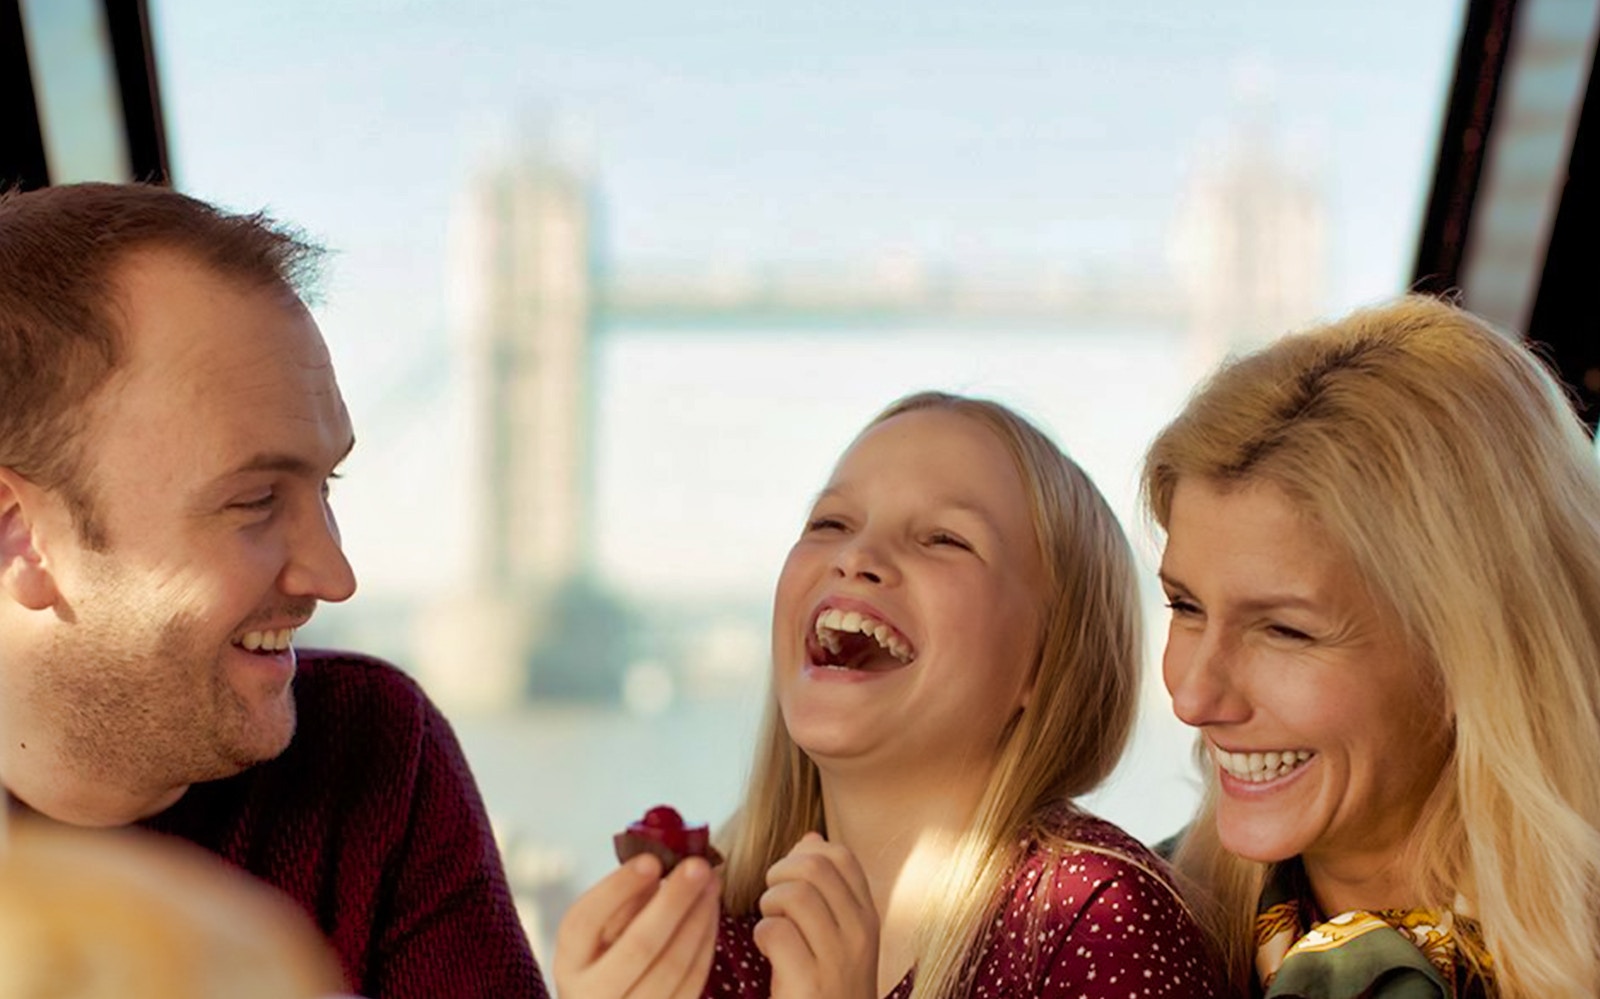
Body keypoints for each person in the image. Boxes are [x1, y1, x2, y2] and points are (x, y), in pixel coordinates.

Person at [0, 182, 545, 999]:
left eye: (326, 485)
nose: (335, 575)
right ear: (22, 537)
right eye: (255, 501)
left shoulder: (372, 752)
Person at [556, 391, 1222, 998]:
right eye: (830, 523)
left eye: (943, 539)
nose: (857, 555)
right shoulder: (702, 944)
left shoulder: (1103, 922)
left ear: (1046, 663)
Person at [1143, 295, 1600, 998]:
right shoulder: (1135, 934)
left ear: (1471, 651)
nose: (1194, 696)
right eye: (1187, 606)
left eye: (1285, 630)